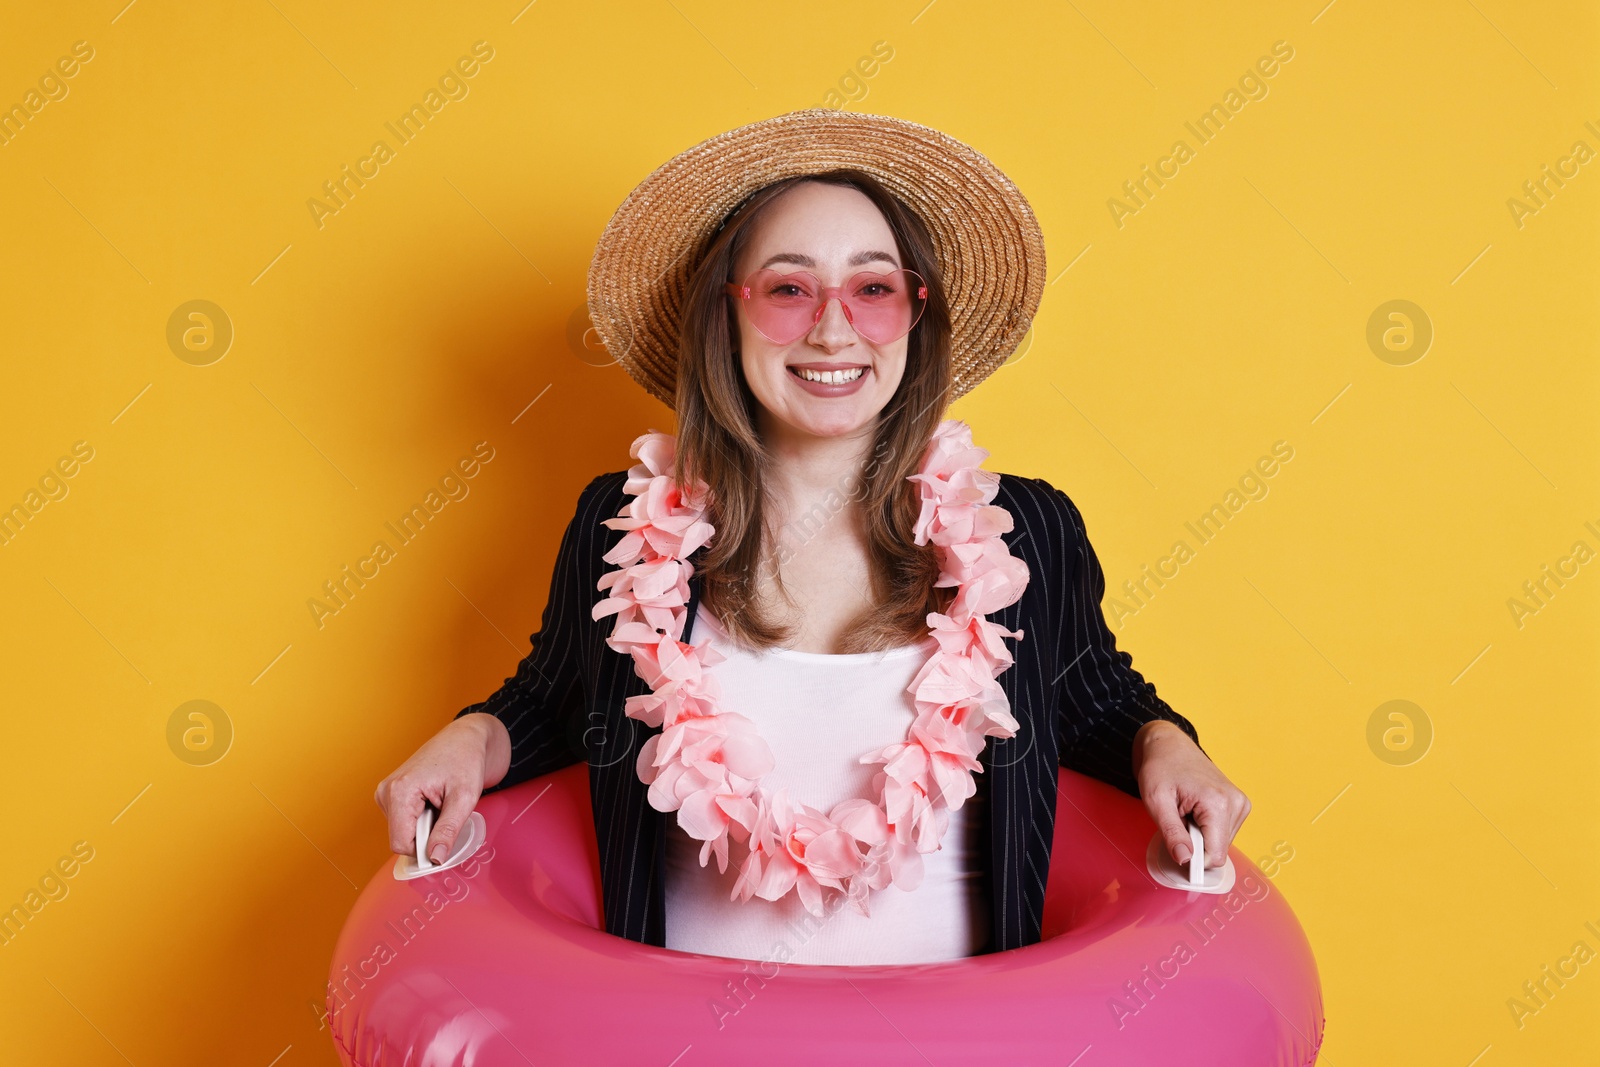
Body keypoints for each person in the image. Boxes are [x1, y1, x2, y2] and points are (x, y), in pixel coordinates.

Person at [374, 109, 1249, 964]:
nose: (834, 329)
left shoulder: (1026, 530)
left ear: (915, 312)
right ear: (729, 315)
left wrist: (1167, 743)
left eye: (872, 288)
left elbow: (1094, 701)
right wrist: (471, 738)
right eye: (789, 288)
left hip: (964, 1042)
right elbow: (555, 701)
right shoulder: (622, 526)